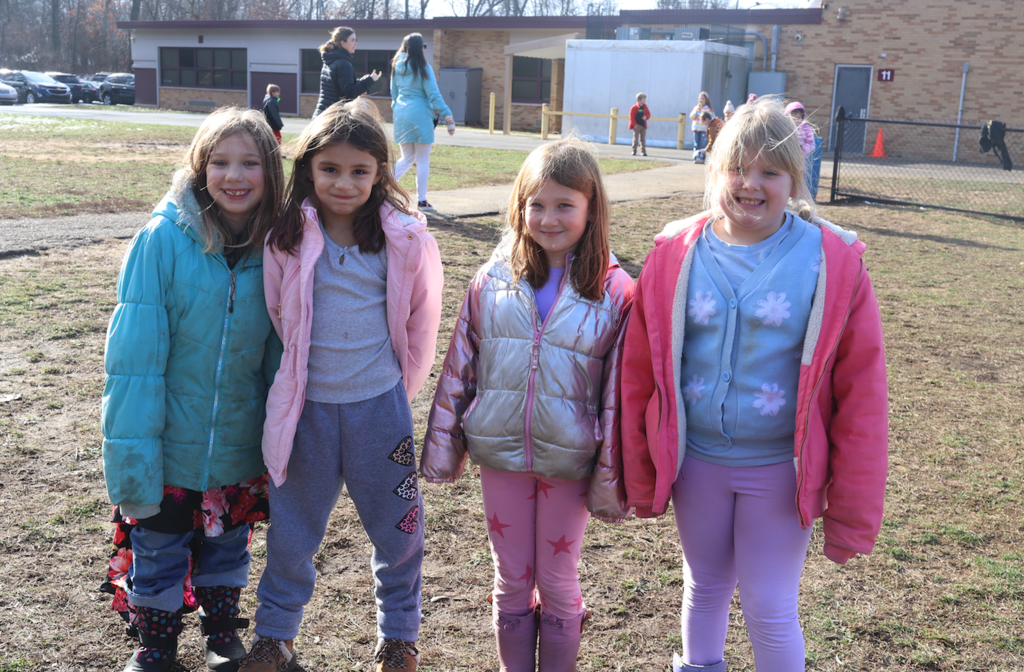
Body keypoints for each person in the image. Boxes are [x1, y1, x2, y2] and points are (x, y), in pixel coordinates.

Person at [620, 97, 888, 672]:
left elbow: (862, 396)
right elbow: (641, 372)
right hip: (697, 464)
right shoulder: (674, 253)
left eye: (769, 171)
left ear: (794, 179)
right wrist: (640, 466)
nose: (750, 183)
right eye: (737, 168)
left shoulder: (831, 260)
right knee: (705, 585)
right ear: (714, 170)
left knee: (768, 605)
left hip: (779, 472)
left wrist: (852, 506)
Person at [238, 100, 443, 672]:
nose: (344, 183)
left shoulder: (406, 239)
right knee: (292, 534)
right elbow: (280, 315)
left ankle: (399, 637)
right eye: (330, 169)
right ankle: (275, 636)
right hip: (305, 413)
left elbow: (422, 324)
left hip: (380, 411)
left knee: (398, 532)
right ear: (309, 168)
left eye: (359, 170)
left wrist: (395, 391)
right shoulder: (286, 239)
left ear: (380, 172)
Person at [421, 137, 635, 671]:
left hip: (570, 461)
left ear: (591, 208)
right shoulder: (491, 281)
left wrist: (611, 471)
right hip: (500, 455)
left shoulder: (616, 293)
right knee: (511, 578)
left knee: (558, 579)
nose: (548, 218)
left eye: (564, 205)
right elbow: (460, 367)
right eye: (536, 204)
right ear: (519, 206)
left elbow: (619, 395)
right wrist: (443, 449)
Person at [100, 107, 285, 672]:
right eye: (220, 162)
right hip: (166, 444)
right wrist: (134, 465)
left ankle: (222, 635)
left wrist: (281, 445)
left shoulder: (278, 247)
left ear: (271, 171)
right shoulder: (162, 240)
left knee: (228, 544)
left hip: (236, 440)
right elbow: (133, 365)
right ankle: (155, 646)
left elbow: (279, 359)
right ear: (200, 167)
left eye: (250, 163)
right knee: (158, 546)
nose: (235, 176)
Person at [389, 32, 455, 212]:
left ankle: (382, 186)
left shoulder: (396, 66)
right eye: (424, 46)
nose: (425, 49)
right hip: (420, 114)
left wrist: (398, 110)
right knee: (423, 159)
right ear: (420, 48)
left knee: (407, 158)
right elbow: (433, 95)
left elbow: (394, 94)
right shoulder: (424, 67)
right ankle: (422, 201)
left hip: (401, 114)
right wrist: (448, 116)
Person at [312, 26, 381, 119]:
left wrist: (362, 81)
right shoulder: (343, 63)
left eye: (355, 40)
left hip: (322, 115)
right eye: (352, 40)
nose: (356, 43)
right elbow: (349, 93)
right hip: (333, 117)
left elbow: (340, 86)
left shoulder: (331, 59)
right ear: (343, 43)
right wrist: (370, 80)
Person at [689, 91, 714, 163]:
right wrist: (696, 111)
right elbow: (691, 116)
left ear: (706, 100)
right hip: (696, 128)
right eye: (700, 98)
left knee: (703, 144)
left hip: (704, 129)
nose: (701, 100)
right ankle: (696, 158)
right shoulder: (696, 108)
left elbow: (712, 117)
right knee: (696, 144)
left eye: (703, 98)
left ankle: (702, 158)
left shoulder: (708, 109)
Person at [629, 92, 651, 156]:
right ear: (639, 100)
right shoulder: (634, 107)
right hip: (637, 125)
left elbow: (648, 114)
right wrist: (634, 124)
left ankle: (643, 151)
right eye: (643, 99)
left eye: (645, 99)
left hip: (643, 125)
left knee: (643, 139)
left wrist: (646, 117)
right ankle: (634, 151)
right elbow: (631, 117)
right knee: (635, 139)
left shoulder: (645, 107)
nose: (645, 100)